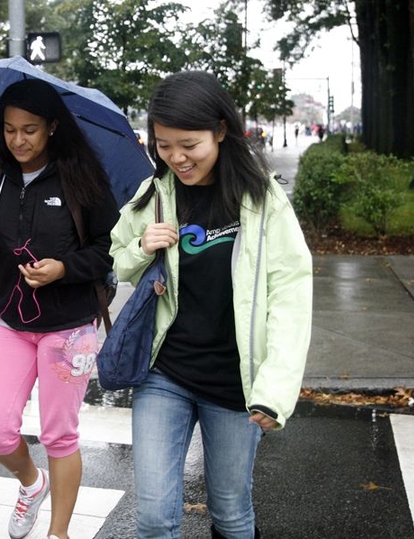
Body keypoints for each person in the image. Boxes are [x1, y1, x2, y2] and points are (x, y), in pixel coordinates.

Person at [109, 71, 312, 539]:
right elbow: (117, 261)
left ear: (221, 130)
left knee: (232, 514)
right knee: (155, 517)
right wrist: (141, 246)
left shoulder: (262, 200)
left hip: (236, 384)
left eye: (189, 144)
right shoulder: (153, 195)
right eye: (162, 145)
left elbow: (291, 295)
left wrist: (274, 390)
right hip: (165, 374)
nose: (176, 158)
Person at [0, 78, 118, 539]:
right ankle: (32, 483)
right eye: (10, 129)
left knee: (59, 436)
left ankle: (59, 532)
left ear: (52, 127)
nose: (18, 140)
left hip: (69, 327)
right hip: (11, 321)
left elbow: (109, 249)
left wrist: (63, 268)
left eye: (29, 129)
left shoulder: (82, 178)